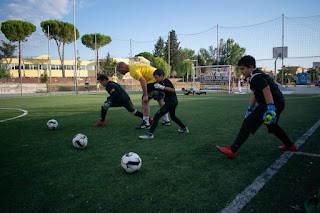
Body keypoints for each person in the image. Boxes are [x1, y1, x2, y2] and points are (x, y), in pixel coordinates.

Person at [216, 55, 297, 159]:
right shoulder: (255, 76)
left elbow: (266, 89)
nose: (241, 72)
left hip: (271, 103)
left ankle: (232, 150)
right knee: (272, 126)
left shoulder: (256, 77)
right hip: (279, 102)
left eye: (243, 69)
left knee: (247, 124)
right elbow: (255, 93)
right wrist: (250, 108)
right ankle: (290, 146)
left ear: (250, 67)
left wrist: (271, 108)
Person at [116, 62, 170, 129]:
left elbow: (143, 80)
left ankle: (146, 123)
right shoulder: (134, 65)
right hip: (158, 78)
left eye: (119, 71)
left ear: (122, 67)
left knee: (144, 101)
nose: (120, 73)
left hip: (152, 80)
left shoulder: (132, 70)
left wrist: (145, 95)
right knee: (160, 100)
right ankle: (166, 120)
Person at [139, 69, 189, 139]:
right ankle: (184, 128)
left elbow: (172, 89)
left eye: (156, 77)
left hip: (170, 103)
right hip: (173, 102)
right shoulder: (162, 82)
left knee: (157, 116)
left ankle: (150, 134)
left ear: (161, 76)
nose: (155, 79)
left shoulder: (166, 81)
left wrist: (162, 87)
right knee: (173, 116)